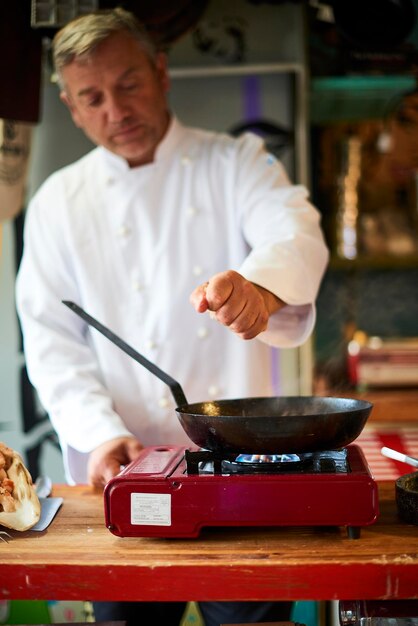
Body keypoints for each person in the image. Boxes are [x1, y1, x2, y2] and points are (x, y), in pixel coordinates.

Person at [15, 8, 329, 626]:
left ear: (161, 72)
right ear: (70, 106)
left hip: (240, 477)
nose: (115, 111)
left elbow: (294, 229)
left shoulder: (237, 162)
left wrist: (258, 287)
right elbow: (51, 341)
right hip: (123, 477)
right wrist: (97, 434)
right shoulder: (57, 202)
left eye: (128, 84)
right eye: (92, 98)